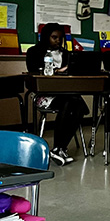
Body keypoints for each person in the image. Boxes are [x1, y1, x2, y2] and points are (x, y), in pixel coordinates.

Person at [26, 23, 87, 166]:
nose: (58, 41)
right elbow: (33, 72)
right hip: (44, 95)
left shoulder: (66, 54)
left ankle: (59, 148)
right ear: (46, 37)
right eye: (54, 37)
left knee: (77, 106)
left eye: (60, 38)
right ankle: (59, 148)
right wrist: (58, 71)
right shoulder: (33, 51)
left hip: (65, 93)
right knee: (72, 103)